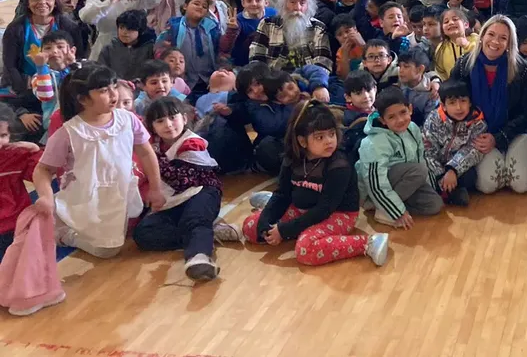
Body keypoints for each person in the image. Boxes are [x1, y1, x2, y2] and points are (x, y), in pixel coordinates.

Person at [31, 64, 164, 258]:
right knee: (107, 251)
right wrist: (45, 196)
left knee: (125, 233)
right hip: (86, 196)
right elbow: (43, 169)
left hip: (119, 191)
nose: (113, 94)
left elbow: (146, 153)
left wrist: (156, 187)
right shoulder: (69, 132)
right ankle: (65, 233)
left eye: (113, 86)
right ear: (83, 99)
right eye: (103, 91)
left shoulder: (128, 119)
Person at [243, 101, 389, 267]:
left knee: (306, 249)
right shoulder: (292, 159)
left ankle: (369, 243)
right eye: (320, 137)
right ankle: (268, 206)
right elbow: (282, 194)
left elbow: (324, 209)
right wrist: (265, 220)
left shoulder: (339, 165)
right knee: (251, 227)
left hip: (337, 214)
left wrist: (284, 230)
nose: (329, 141)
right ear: (302, 141)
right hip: (301, 206)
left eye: (332, 134)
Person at [134, 97, 235, 281]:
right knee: (144, 233)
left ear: (184, 118)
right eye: (160, 121)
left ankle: (199, 257)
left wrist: (152, 161)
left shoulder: (192, 142)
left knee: (194, 219)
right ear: (152, 126)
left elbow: (183, 179)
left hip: (202, 191)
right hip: (174, 201)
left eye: (173, 117)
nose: (168, 124)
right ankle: (209, 231)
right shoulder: (153, 146)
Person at [450, 15, 527, 195]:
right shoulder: (463, 66)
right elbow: (452, 106)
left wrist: (499, 137)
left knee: (521, 185)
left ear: (509, 43)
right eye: (491, 34)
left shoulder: (522, 70)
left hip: (515, 132)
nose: (495, 41)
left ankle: (515, 155)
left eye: (503, 38)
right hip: (477, 134)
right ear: (482, 36)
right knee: (488, 186)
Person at [356, 87, 444, 228]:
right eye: (391, 117)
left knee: (434, 205)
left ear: (410, 109)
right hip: (374, 191)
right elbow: (375, 184)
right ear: (382, 120)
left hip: (404, 182)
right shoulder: (373, 143)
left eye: (403, 112)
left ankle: (392, 205)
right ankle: (384, 210)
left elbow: (421, 157)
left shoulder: (413, 128)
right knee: (419, 170)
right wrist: (397, 212)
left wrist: (434, 188)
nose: (400, 120)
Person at [1, 0, 87, 112]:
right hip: (26, 86)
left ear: (55, 1)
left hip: (61, 84)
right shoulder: (15, 29)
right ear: (27, 3)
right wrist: (24, 92)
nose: (42, 2)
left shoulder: (69, 27)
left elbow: (79, 56)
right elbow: (10, 65)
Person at [421, 80, 486, 206]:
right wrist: (441, 175)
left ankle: (447, 191)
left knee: (470, 177)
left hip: (457, 168)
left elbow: (472, 150)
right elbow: (428, 150)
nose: (458, 107)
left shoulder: (478, 123)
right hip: (436, 166)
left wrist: (453, 169)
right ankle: (448, 191)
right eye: (452, 103)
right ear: (443, 105)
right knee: (423, 171)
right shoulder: (434, 119)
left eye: (463, 101)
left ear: (470, 102)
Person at [248, 0, 334, 81]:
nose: (297, 8)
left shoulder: (318, 27)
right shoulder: (267, 24)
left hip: (308, 81)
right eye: (292, 2)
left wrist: (316, 84)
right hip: (273, 80)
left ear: (308, 6)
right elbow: (256, 59)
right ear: (284, 4)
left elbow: (323, 63)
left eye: (302, 3)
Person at [79, 0, 161, 59]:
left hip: (134, 43)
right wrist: (109, 3)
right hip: (106, 43)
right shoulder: (96, 0)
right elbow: (86, 17)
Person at [0, 104, 42, 261]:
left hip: (17, 223)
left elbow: (38, 174)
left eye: (3, 135)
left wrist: (35, 151)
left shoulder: (13, 155)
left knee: (20, 265)